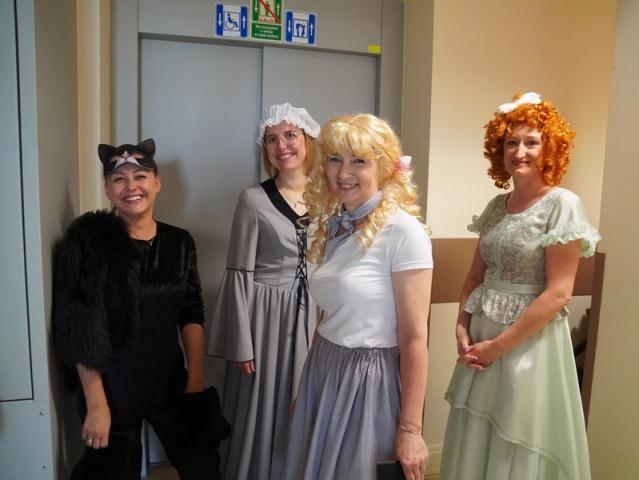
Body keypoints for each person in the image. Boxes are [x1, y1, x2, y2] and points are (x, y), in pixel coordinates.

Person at [440, 92, 601, 480]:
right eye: (511, 142)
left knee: (516, 433)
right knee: (477, 433)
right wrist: (462, 323)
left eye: (532, 142)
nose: (520, 151)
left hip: (528, 343)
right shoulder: (497, 205)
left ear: (550, 148)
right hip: (482, 339)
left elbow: (559, 293)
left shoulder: (563, 204)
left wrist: (498, 347)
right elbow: (475, 276)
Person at [54, 138, 229, 480]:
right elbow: (80, 327)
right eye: (119, 179)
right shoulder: (88, 242)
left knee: (203, 466)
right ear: (107, 188)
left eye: (140, 177)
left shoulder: (180, 242)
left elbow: (191, 311)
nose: (131, 187)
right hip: (111, 387)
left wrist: (195, 379)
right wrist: (97, 405)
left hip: (169, 379)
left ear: (157, 182)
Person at [282, 113, 433, 480]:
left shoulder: (403, 232)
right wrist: (306, 389)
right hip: (324, 366)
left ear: (383, 168)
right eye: (335, 159)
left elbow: (415, 338)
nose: (343, 172)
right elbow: (326, 316)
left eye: (359, 161)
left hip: (368, 381)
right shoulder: (334, 226)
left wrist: (411, 429)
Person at [206, 103, 320, 479]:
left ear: (307, 140)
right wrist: (241, 342)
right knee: (267, 403)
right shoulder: (253, 199)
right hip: (267, 320)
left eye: (290, 135)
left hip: (319, 316)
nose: (281, 145)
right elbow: (239, 271)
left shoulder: (330, 196)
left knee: (309, 401)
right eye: (271, 139)